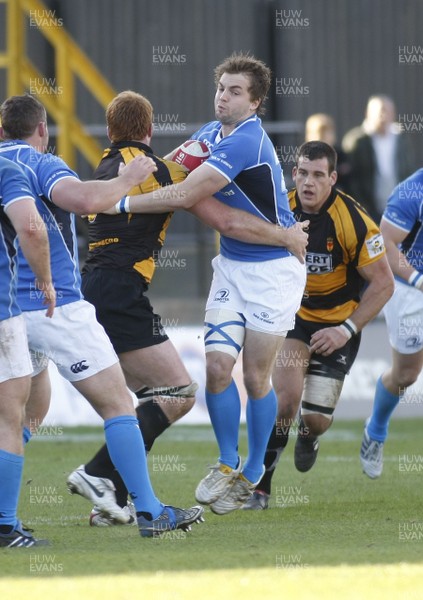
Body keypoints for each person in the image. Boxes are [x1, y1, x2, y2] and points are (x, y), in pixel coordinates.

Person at [70, 90, 310, 525]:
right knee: (177, 394)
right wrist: (287, 236)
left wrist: (119, 197)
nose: (220, 96)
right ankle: (98, 474)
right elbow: (221, 219)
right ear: (150, 130)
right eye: (219, 88)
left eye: (231, 90)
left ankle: (117, 500)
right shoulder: (160, 172)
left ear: (108, 131)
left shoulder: (106, 170)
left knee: (153, 397)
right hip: (121, 293)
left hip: (94, 289)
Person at [0, 94, 205, 538]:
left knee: (24, 416)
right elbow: (82, 198)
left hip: (9, 314)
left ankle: (6, 522)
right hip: (56, 306)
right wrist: (129, 177)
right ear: (42, 131)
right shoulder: (40, 162)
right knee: (118, 404)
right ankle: (150, 512)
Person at [242, 141, 395, 510]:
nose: (308, 182)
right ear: (293, 174)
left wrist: (345, 329)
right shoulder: (279, 210)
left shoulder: (355, 221)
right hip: (293, 319)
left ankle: (309, 436)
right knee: (286, 401)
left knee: (315, 420)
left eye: (317, 175)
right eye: (302, 173)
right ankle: (261, 487)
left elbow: (384, 284)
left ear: (332, 178)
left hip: (339, 326)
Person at [0, 156, 56, 547]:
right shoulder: (6, 171)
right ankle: (5, 527)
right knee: (10, 418)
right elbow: (32, 228)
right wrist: (46, 281)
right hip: (2, 314)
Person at [360, 168, 423, 478]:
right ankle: (376, 430)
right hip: (412, 293)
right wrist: (417, 279)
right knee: (406, 374)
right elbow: (385, 241)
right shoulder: (412, 191)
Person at [342, 95, 414, 223]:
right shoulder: (356, 140)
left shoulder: (401, 139)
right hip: (368, 209)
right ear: (368, 113)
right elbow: (351, 177)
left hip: (397, 208)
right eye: (380, 111)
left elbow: (407, 170)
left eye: (387, 111)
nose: (383, 116)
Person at [304, 113, 350, 192]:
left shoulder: (340, 155)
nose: (323, 137)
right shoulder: (305, 156)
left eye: (327, 133)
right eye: (319, 133)